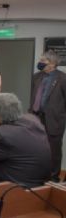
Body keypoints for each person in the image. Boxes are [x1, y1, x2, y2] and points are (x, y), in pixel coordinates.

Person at [30, 49, 66, 180]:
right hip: (36, 117)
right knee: (38, 147)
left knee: (54, 150)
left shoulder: (62, 78)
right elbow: (33, 97)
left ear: (52, 63)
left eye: (43, 60)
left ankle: (53, 177)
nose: (40, 62)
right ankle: (38, 174)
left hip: (54, 120)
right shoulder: (36, 77)